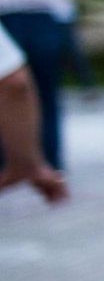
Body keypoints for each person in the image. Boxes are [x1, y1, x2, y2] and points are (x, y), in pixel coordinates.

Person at [0, 0, 74, 172]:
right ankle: (52, 157)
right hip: (44, 18)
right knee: (48, 93)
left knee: (6, 91)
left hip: (8, 19)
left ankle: (11, 158)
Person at [0, 21, 67, 202]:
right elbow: (14, 84)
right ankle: (51, 163)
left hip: (12, 18)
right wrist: (26, 164)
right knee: (48, 100)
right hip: (43, 23)